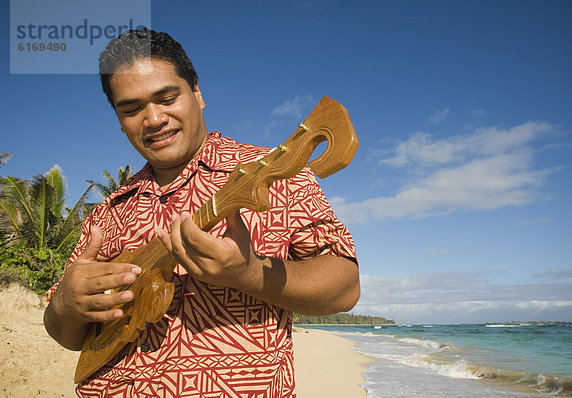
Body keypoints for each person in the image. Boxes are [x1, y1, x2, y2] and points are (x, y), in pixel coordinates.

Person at [44, 28, 360, 397]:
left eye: (167, 97)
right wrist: (66, 304)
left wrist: (250, 273)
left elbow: (345, 289)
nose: (153, 119)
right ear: (118, 118)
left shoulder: (272, 173)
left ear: (197, 93)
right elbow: (67, 336)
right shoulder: (107, 212)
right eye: (131, 108)